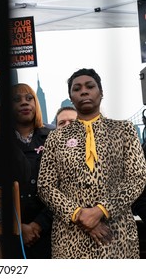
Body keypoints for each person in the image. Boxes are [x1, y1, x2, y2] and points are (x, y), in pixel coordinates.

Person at [37, 68, 146, 259]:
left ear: (101, 92)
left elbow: (136, 178)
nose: (84, 91)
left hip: (116, 234)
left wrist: (100, 211)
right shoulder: (56, 137)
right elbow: (45, 186)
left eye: (90, 86)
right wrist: (78, 215)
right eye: (77, 88)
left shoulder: (124, 130)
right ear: (71, 97)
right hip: (70, 236)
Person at [11, 83, 53, 259]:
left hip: (48, 230)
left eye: (29, 98)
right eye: (17, 99)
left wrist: (37, 225)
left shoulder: (52, 135)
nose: (24, 103)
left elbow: (63, 185)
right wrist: (18, 226)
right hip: (11, 234)